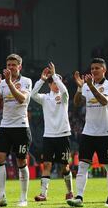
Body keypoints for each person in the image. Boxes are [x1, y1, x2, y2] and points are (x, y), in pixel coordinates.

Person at [67, 58, 108, 207]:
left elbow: (104, 101)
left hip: (106, 132)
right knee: (82, 165)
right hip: (88, 132)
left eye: (97, 68)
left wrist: (90, 86)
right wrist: (80, 87)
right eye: (92, 68)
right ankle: (79, 197)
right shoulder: (87, 86)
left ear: (104, 70)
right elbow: (76, 103)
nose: (94, 70)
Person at [0, 54, 32, 207]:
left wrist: (9, 83)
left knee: (21, 161)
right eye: (8, 65)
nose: (11, 67)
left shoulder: (26, 81)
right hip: (5, 126)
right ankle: (1, 196)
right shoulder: (2, 83)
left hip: (21, 127)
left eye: (14, 65)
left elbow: (22, 99)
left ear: (20, 66)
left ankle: (23, 198)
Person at [30, 62, 73, 202]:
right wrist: (42, 79)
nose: (53, 83)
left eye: (55, 81)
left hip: (63, 135)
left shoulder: (64, 97)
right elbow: (32, 94)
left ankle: (70, 192)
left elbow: (65, 91)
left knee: (64, 166)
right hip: (48, 136)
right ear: (49, 85)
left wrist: (54, 75)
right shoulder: (45, 98)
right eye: (51, 82)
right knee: (47, 164)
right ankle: (43, 194)